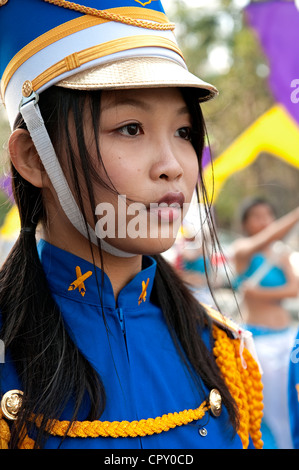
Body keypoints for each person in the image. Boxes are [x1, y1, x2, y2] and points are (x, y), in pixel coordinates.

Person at [0, 0, 263, 450]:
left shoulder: (226, 354)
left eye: (183, 132)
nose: (173, 167)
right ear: (33, 157)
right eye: (130, 128)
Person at [231, 197, 299, 449]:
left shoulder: (280, 253)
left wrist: (258, 294)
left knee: (293, 402)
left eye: (268, 215)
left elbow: (294, 290)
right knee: (270, 410)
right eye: (257, 216)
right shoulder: (242, 250)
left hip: (288, 337)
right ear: (246, 223)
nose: (264, 221)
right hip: (260, 340)